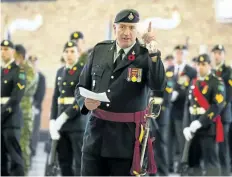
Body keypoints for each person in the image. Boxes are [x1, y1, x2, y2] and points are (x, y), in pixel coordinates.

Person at [75, 9, 165, 176]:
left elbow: (158, 84)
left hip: (126, 140)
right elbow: (80, 86)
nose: (127, 33)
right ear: (115, 28)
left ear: (137, 31)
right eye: (122, 27)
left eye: (131, 28)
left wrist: (153, 50)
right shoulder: (100, 50)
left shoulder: (145, 55)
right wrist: (84, 103)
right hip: (96, 136)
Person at [49, 41, 88, 176]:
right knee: (64, 162)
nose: (69, 54)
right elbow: (56, 97)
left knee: (78, 163)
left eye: (72, 51)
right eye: (66, 51)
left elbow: (80, 98)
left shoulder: (83, 70)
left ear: (78, 54)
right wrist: (52, 120)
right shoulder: (60, 71)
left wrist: (64, 116)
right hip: (61, 124)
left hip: (77, 123)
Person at [183, 53, 225, 175]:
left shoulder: (216, 82)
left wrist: (200, 122)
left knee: (211, 164)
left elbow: (217, 106)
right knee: (193, 164)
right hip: (193, 130)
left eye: (203, 64)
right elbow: (188, 106)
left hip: (208, 129)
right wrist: (186, 126)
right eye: (198, 64)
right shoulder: (193, 83)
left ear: (209, 65)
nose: (200, 67)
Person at [167, 45, 197, 172]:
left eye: (181, 53)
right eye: (177, 53)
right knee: (168, 140)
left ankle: (181, 167)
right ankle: (168, 166)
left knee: (181, 140)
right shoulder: (170, 69)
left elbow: (193, 90)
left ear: (185, 54)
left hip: (182, 110)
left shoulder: (191, 71)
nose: (179, 55)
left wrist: (179, 94)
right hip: (168, 110)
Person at [1, 40, 26, 176]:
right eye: (1, 49)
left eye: (6, 49)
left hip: (10, 119)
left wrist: (2, 112)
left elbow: (16, 96)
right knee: (1, 159)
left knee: (15, 157)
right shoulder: (1, 71)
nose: (3, 52)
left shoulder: (18, 71)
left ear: (12, 52)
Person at [14, 44, 38, 175]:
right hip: (13, 112)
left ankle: (25, 171)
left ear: (20, 56)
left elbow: (22, 87)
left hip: (24, 112)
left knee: (23, 145)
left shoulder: (28, 69)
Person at [211, 44, 232, 176]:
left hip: (223, 115)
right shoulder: (212, 71)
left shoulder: (228, 71)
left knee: (223, 145)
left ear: (223, 55)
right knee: (214, 145)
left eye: (219, 53)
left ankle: (225, 172)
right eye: (215, 53)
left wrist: (217, 109)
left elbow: (229, 94)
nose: (217, 55)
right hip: (213, 114)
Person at [28, 55, 46, 157]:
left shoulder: (41, 77)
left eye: (35, 63)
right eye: (31, 63)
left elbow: (41, 94)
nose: (33, 65)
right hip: (25, 108)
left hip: (35, 108)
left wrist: (34, 105)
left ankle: (32, 150)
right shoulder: (25, 76)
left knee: (34, 130)